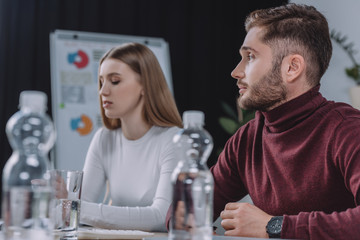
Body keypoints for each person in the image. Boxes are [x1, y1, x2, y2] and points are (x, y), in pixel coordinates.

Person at [166, 3, 360, 239]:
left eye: (250, 57)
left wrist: (274, 226)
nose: (236, 71)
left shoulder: (346, 129)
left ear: (292, 68)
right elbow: (180, 217)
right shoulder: (247, 139)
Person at [80, 42, 183, 232]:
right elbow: (80, 207)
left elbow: (161, 217)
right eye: (102, 81)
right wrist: (65, 201)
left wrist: (72, 207)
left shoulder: (173, 140)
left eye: (115, 81)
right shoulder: (104, 138)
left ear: (145, 85)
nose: (103, 91)